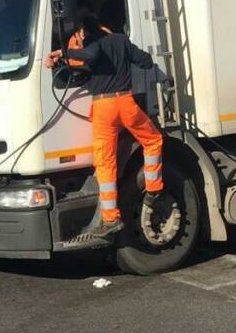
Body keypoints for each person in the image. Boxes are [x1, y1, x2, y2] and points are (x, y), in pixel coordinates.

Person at [44, 17, 163, 238]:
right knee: (153, 140)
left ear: (83, 31)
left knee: (105, 161)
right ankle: (154, 189)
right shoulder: (121, 40)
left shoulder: (93, 44)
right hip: (126, 102)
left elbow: (87, 60)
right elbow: (146, 61)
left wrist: (62, 55)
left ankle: (110, 218)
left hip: (103, 108)